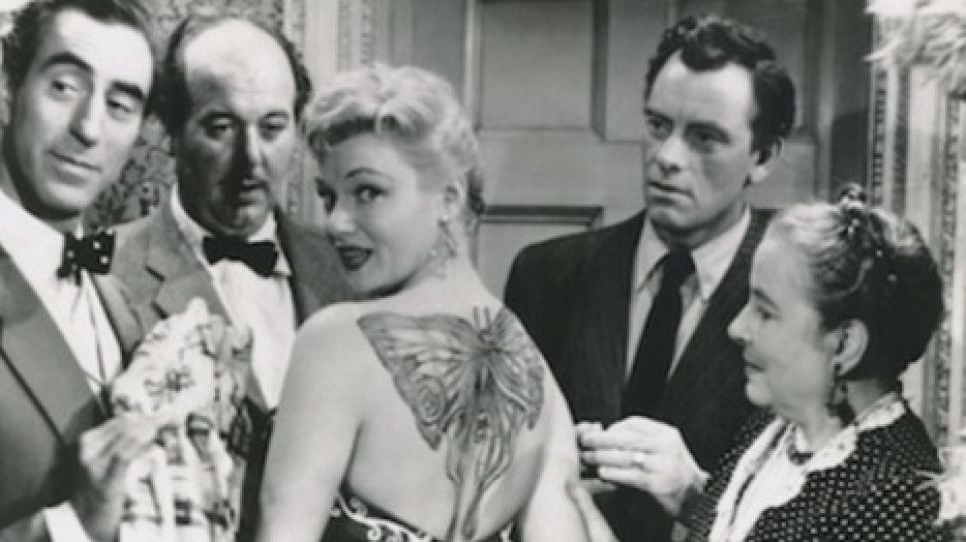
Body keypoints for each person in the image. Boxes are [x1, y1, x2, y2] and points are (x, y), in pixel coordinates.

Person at [256, 64, 585, 542]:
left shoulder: (336, 343)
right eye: (329, 197)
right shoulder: (539, 380)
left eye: (368, 193)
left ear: (449, 199)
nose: (336, 223)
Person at [503, 14, 796, 541]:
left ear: (763, 157)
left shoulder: (799, 297)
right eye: (659, 126)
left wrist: (697, 495)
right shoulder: (545, 275)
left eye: (704, 138)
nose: (667, 158)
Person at [577, 185, 947, 541]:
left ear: (844, 344)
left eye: (765, 312)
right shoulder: (770, 431)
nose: (737, 328)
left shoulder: (896, 499)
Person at [111, 14, 351, 541]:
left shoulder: (347, 269)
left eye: (272, 128)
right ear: (171, 133)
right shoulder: (107, 275)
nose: (251, 159)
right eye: (220, 128)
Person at [0, 0, 158, 539]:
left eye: (120, 105)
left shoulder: (118, 297)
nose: (89, 128)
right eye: (64, 87)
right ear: (7, 90)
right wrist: (72, 525)